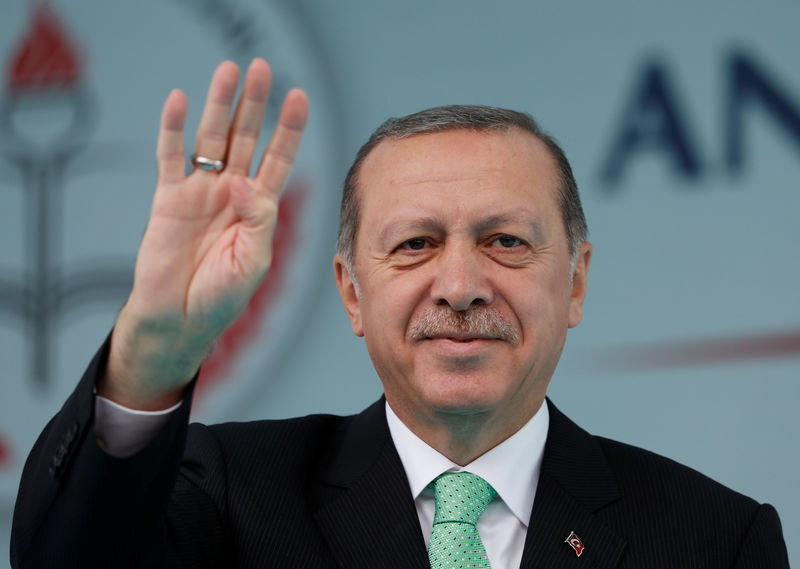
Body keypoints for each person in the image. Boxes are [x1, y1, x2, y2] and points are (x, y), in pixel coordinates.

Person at [10, 59, 789, 569]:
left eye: (506, 241)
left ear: (576, 281)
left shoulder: (715, 539)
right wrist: (154, 348)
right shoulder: (228, 495)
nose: (459, 284)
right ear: (352, 291)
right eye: (415, 243)